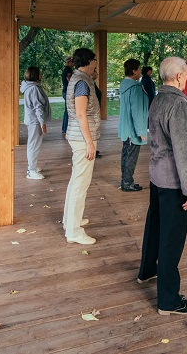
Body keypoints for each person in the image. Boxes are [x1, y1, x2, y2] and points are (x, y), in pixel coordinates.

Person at [137, 57, 187, 315]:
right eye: (185, 74)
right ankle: (168, 300)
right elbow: (184, 151)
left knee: (155, 226)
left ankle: (147, 271)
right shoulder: (177, 104)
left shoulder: (158, 99)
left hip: (157, 176)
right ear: (178, 77)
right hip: (174, 181)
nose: (186, 77)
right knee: (171, 239)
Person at [62, 48, 101, 245]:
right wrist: (89, 142)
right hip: (82, 139)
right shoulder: (82, 83)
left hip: (77, 136)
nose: (96, 64)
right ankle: (74, 231)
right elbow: (80, 114)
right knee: (80, 184)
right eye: (95, 60)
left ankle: (69, 221)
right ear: (89, 61)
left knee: (76, 181)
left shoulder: (79, 79)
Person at [119, 58, 149, 192]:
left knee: (126, 155)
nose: (140, 72)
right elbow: (136, 111)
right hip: (133, 130)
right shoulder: (135, 88)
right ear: (133, 71)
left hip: (126, 128)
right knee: (131, 157)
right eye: (138, 69)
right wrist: (141, 131)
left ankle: (126, 180)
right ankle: (127, 183)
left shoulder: (125, 85)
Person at [20, 66, 51, 180]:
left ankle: (31, 167)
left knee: (33, 144)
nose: (41, 75)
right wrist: (42, 122)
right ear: (35, 75)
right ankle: (31, 171)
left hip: (32, 120)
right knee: (34, 145)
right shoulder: (34, 89)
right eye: (40, 73)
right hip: (35, 121)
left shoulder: (30, 87)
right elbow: (37, 106)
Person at [61, 55, 74, 135]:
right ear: (69, 62)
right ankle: (66, 128)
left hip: (65, 91)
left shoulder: (65, 70)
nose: (73, 64)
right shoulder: (68, 71)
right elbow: (70, 80)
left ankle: (64, 128)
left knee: (67, 110)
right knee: (68, 111)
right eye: (72, 62)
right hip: (67, 91)